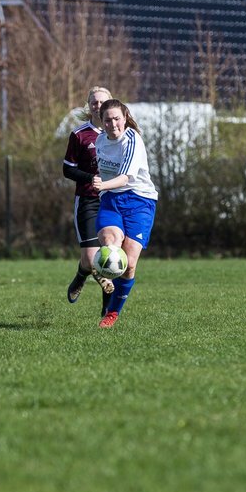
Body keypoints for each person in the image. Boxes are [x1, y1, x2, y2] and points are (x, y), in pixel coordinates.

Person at [91, 99, 158, 328]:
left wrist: (102, 185)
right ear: (102, 121)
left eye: (117, 118)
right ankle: (102, 270)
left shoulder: (132, 140)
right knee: (110, 242)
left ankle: (112, 313)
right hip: (111, 200)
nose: (113, 124)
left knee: (129, 264)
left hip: (140, 201)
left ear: (125, 117)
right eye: (107, 120)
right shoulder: (100, 140)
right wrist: (99, 184)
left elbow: (126, 177)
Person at [62, 86, 111, 308]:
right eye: (94, 102)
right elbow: (67, 169)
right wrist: (90, 178)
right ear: (89, 106)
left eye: (102, 102)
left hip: (113, 201)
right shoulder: (79, 135)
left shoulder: (120, 134)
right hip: (88, 201)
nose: (98, 106)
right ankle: (82, 275)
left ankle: (107, 314)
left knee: (110, 257)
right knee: (91, 259)